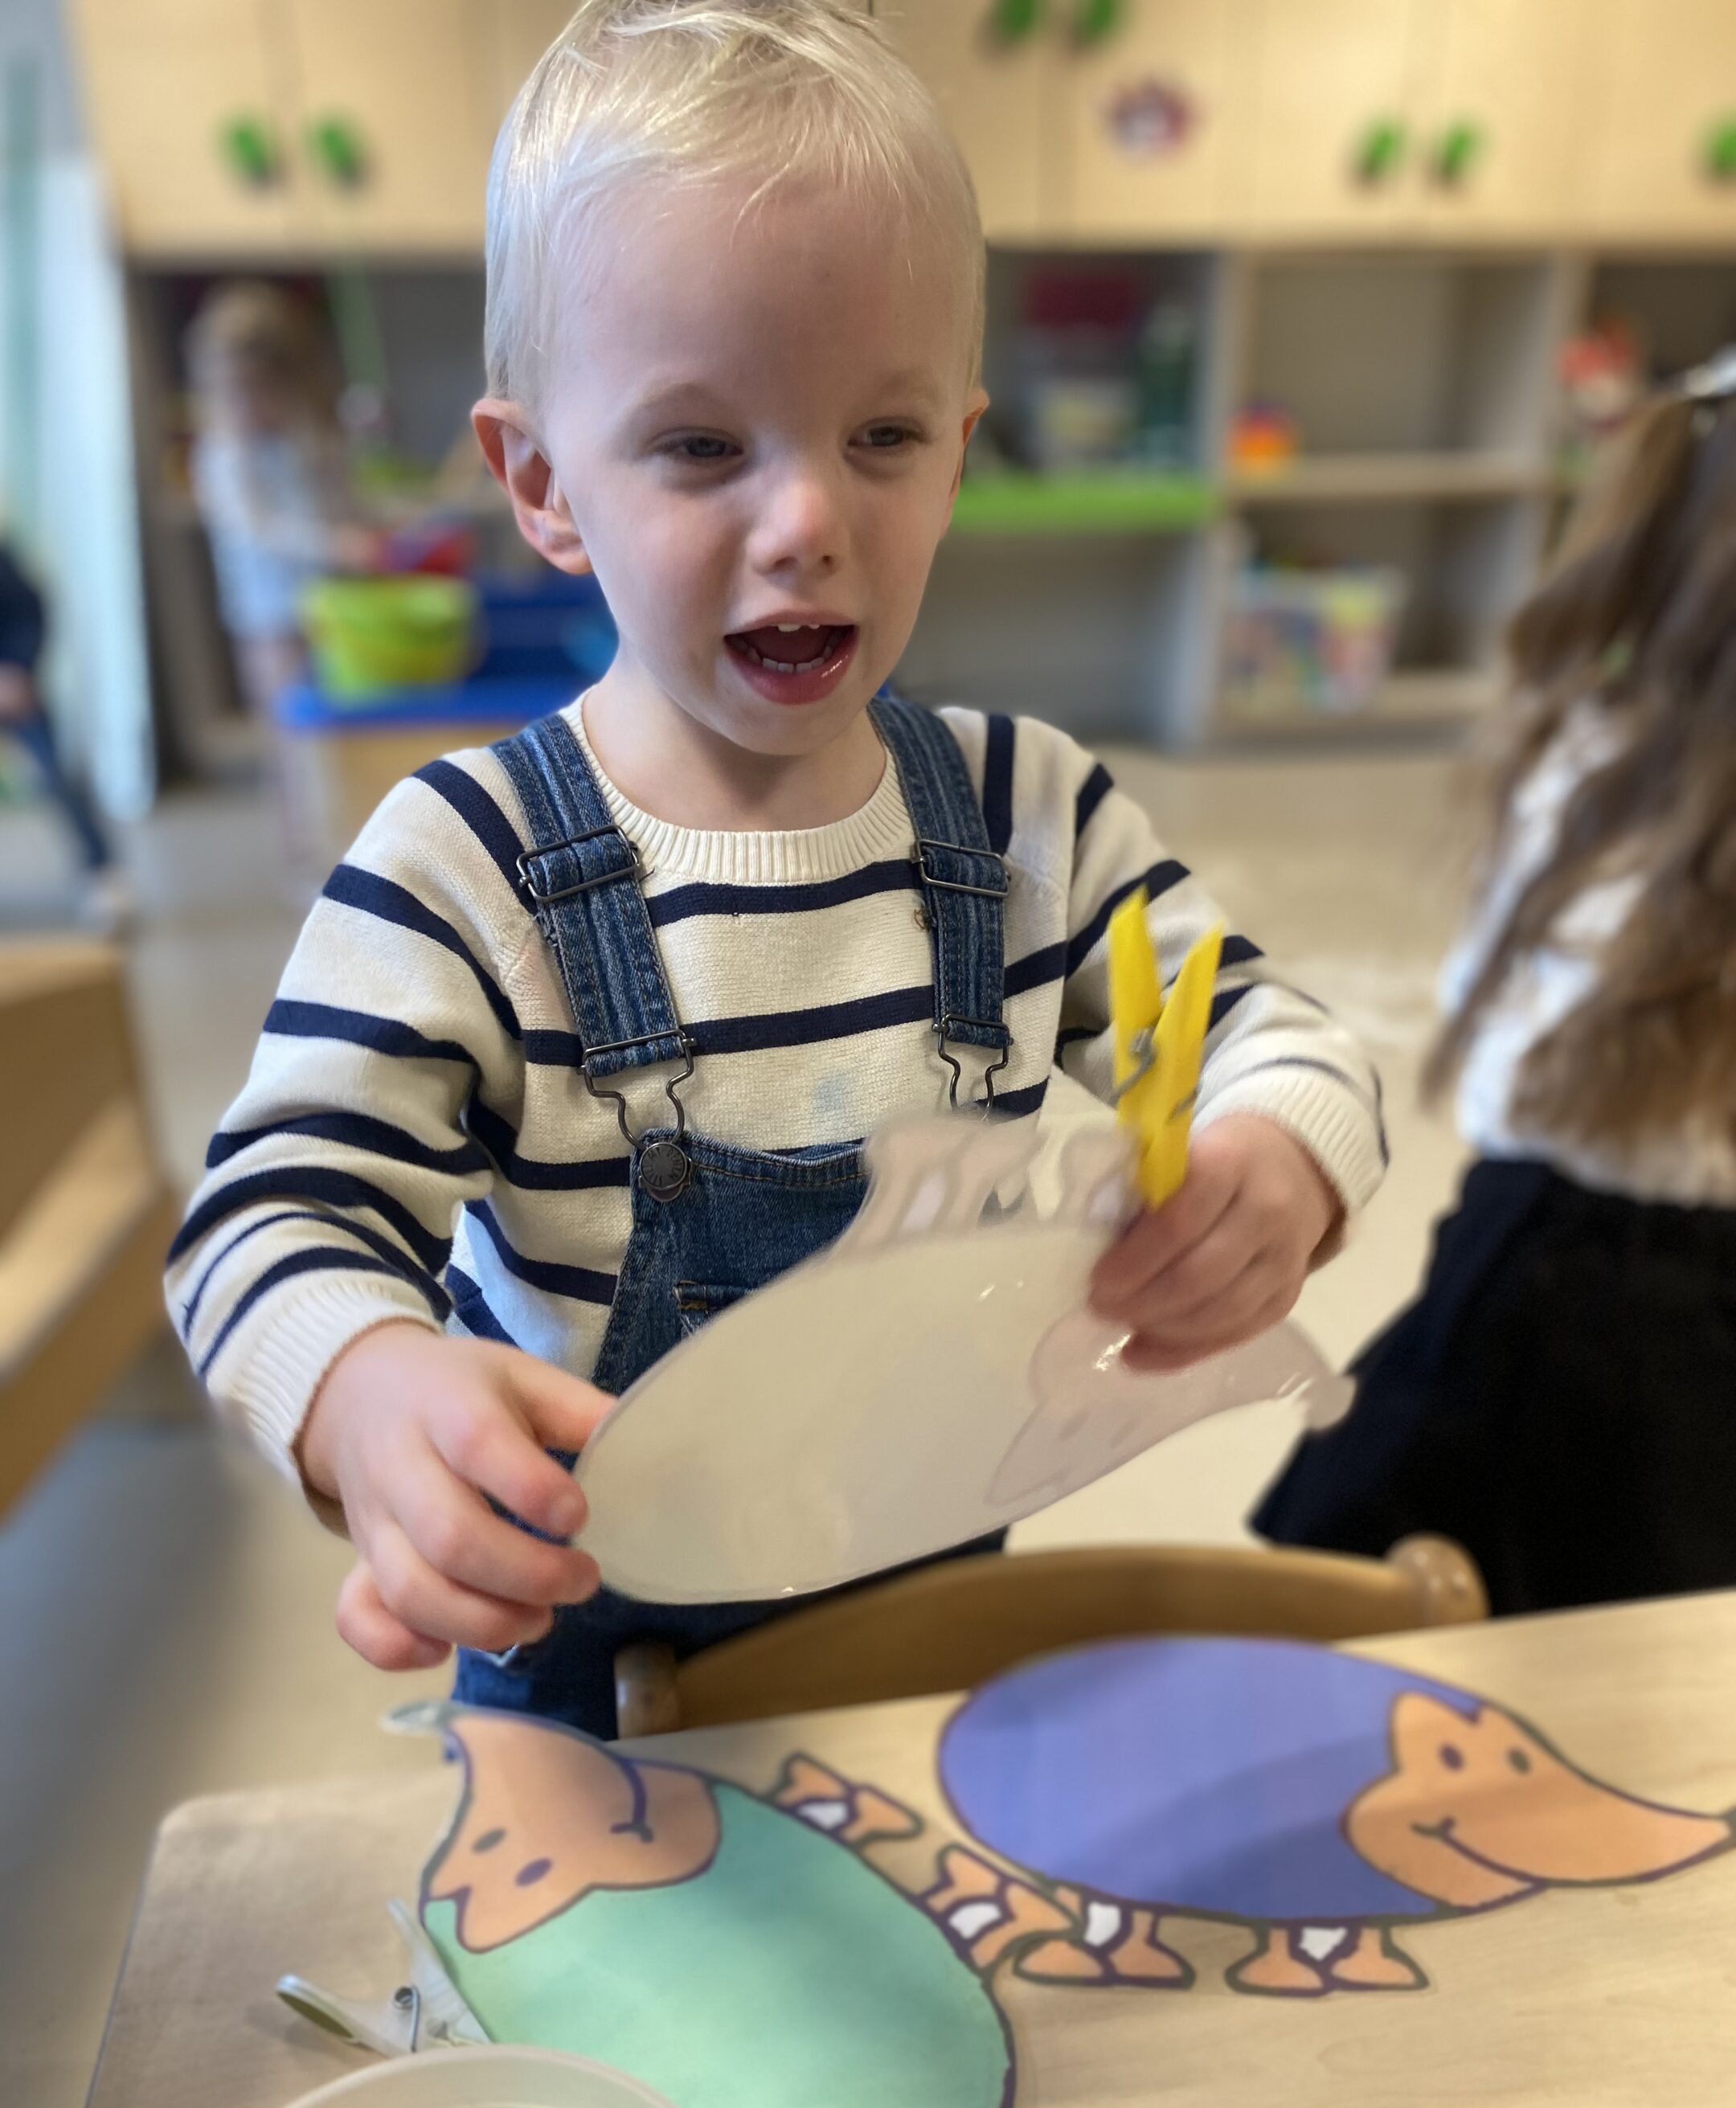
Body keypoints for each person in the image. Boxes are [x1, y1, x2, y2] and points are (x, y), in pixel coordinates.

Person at [166, 0, 1386, 1736]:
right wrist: (361, 1387)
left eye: (882, 437)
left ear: (959, 452)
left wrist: (1280, 1160)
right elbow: (268, 1210)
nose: (809, 520)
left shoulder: (1028, 816)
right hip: (593, 1678)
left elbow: (1276, 1031)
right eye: (701, 446)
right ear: (543, 483)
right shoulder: (465, 866)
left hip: (928, 1632)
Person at [1259, 358, 1736, 1616]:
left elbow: (1493, 1070)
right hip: (1595, 1300)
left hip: (1548, 1259)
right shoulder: (1608, 776)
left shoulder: (1587, 757)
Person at [186, 281, 374, 717]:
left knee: (335, 713)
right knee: (287, 717)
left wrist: (366, 526)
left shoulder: (302, 438)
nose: (246, 409)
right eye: (231, 395)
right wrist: (334, 544)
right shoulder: (224, 454)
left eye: (259, 392)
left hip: (331, 598)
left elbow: (337, 498)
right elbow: (257, 528)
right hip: (268, 613)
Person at [0, 537, 129, 926]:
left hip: (11, 682)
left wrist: (18, 669)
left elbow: (29, 610)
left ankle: (102, 872)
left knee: (57, 775)